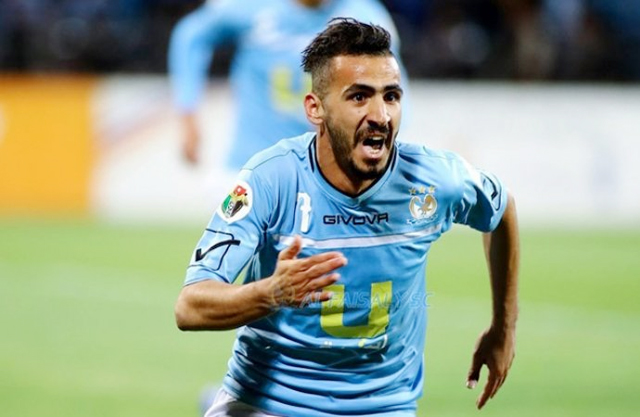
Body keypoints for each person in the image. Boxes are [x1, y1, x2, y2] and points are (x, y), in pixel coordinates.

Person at [175, 18, 519, 417]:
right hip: (266, 404)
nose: (381, 115)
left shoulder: (433, 179)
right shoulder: (271, 179)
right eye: (359, 97)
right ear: (315, 108)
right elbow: (190, 306)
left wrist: (503, 327)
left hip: (383, 408)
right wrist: (270, 294)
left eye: (391, 96)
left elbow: (501, 208)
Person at [168, 0, 405, 170]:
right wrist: (188, 113)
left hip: (324, 170)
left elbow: (393, 86)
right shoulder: (250, 7)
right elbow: (190, 35)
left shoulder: (363, 15)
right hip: (252, 164)